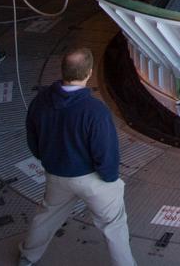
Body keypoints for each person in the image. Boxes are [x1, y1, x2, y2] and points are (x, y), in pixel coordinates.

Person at [19, 48, 135, 266]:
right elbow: (106, 152)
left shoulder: (40, 101)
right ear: (89, 73)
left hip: (56, 175)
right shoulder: (95, 110)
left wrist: (48, 160)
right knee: (114, 224)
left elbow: (33, 140)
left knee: (46, 217)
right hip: (92, 180)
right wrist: (110, 179)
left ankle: (28, 257)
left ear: (63, 70)